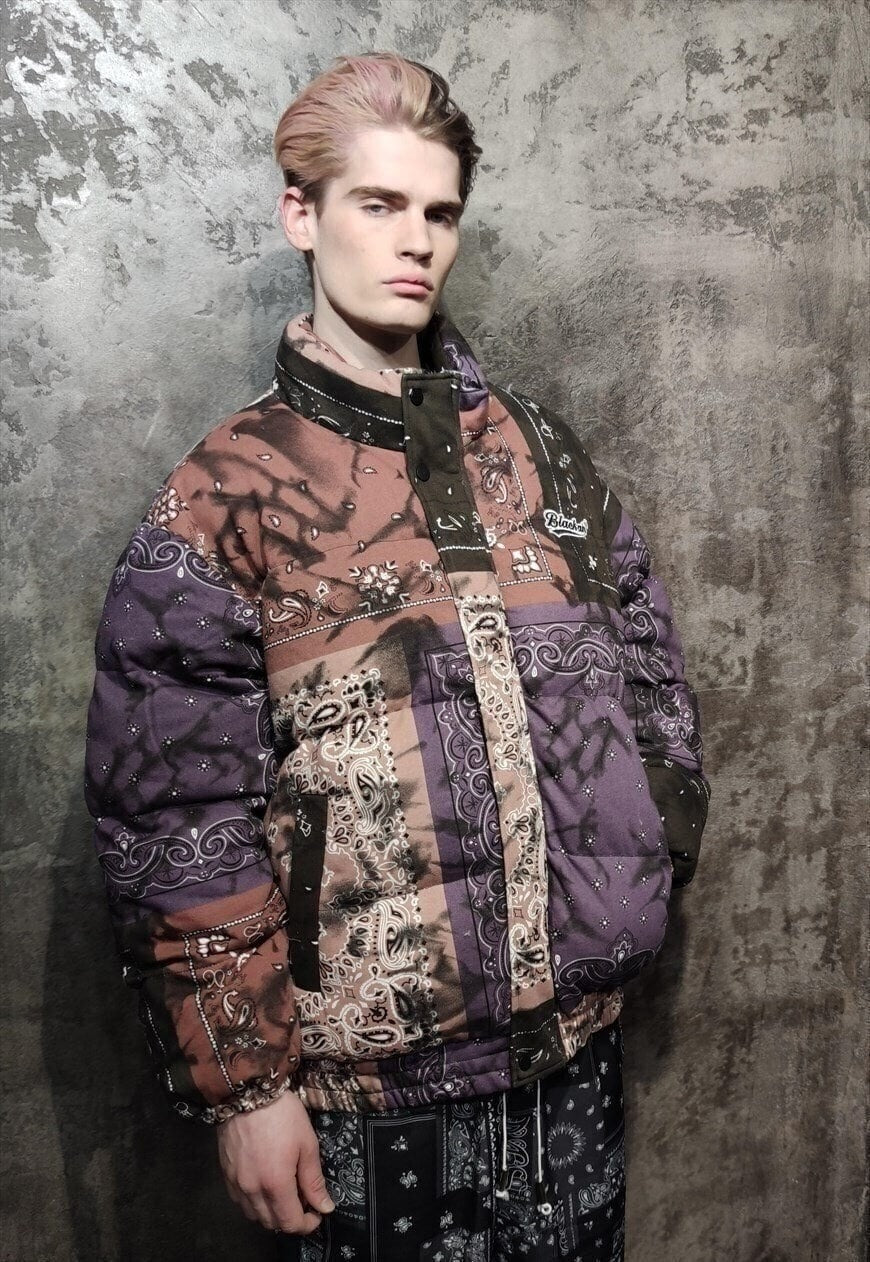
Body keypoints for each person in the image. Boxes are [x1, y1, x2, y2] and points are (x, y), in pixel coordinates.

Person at [84, 52, 711, 1261]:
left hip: (576, 1064)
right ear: (301, 214)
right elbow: (171, 814)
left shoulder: (539, 452)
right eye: (378, 204)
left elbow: (646, 657)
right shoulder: (226, 495)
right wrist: (247, 1086)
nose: (416, 240)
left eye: (439, 211)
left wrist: (657, 839)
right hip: (366, 1100)